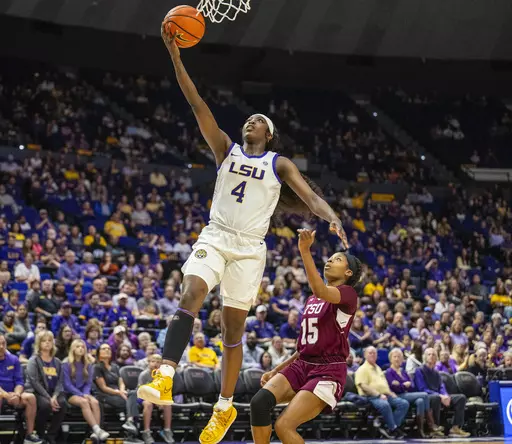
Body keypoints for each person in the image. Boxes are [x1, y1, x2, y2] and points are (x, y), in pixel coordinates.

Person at [137, 29, 349, 444]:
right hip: (216, 236)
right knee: (191, 292)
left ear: (267, 135)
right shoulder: (225, 149)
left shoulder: (278, 163)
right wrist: (175, 55)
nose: (249, 122)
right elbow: (195, 100)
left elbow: (309, 196)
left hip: (250, 250)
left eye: (257, 121)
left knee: (232, 332)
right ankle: (164, 373)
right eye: (247, 120)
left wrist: (332, 217)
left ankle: (224, 406)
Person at [249, 229, 359, 444]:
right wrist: (276, 369)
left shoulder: (348, 295)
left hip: (328, 371)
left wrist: (304, 250)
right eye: (329, 258)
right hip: (302, 364)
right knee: (259, 403)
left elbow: (320, 290)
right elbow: (304, 348)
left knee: (284, 426)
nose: (329, 261)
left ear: (348, 273)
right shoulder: (312, 300)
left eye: (337, 259)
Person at [414, 348, 470, 437]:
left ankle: (455, 428)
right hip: (426, 396)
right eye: (429, 354)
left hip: (439, 396)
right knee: (436, 398)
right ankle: (434, 428)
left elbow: (441, 386)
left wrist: (446, 396)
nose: (431, 356)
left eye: (433, 354)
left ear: (436, 358)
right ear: (424, 357)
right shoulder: (419, 370)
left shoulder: (436, 372)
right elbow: (422, 389)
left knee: (461, 398)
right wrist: (440, 396)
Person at [385, 348, 441, 438]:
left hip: (407, 394)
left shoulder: (403, 371)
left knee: (420, 401)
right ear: (390, 359)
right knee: (424, 395)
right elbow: (395, 388)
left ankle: (420, 430)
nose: (397, 359)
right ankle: (431, 424)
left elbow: (412, 386)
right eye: (395, 357)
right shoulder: (389, 372)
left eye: (399, 357)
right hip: (397, 396)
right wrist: (404, 385)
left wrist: (402, 385)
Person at [355, 347, 409, 439]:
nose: (372, 355)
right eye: (370, 353)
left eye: (374, 353)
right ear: (365, 355)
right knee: (385, 405)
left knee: (403, 403)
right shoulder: (362, 369)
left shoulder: (378, 368)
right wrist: (378, 394)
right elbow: (363, 386)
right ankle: (393, 429)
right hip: (370, 397)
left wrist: (390, 393)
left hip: (385, 395)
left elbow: (384, 384)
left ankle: (388, 428)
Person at [25, 331, 68, 444]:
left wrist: (54, 396)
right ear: (39, 344)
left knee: (62, 403)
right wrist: (49, 398)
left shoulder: (57, 362)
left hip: (53, 392)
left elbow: (60, 382)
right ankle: (40, 434)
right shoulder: (33, 360)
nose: (47, 343)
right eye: (44, 341)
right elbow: (35, 382)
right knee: (45, 405)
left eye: (49, 340)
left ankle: (51, 435)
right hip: (38, 392)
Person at [63, 339, 109, 441]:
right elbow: (67, 384)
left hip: (83, 393)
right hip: (70, 394)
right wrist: (81, 394)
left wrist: (86, 393)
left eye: (83, 347)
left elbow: (88, 383)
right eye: (78, 347)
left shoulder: (88, 364)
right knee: (84, 402)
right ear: (73, 349)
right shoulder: (66, 364)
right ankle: (97, 429)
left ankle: (95, 433)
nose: (80, 349)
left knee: (95, 402)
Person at [0, 334, 43, 444]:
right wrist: (6, 395)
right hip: (2, 394)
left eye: (3, 343)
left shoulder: (13, 359)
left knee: (30, 397)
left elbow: (19, 381)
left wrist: (17, 394)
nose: (1, 346)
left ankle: (29, 435)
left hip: (13, 394)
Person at [93, 343, 138, 434]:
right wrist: (119, 393)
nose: (107, 350)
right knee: (129, 402)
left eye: (109, 349)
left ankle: (129, 421)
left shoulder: (115, 366)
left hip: (118, 392)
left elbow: (120, 381)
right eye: (104, 348)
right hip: (104, 394)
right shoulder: (96, 367)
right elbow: (103, 387)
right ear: (98, 353)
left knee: (133, 393)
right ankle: (132, 426)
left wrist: (122, 390)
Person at [138, 354, 174, 444]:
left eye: (158, 362)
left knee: (167, 404)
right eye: (153, 361)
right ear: (149, 363)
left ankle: (167, 430)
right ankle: (146, 432)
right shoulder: (144, 374)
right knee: (148, 404)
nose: (155, 364)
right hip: (143, 397)